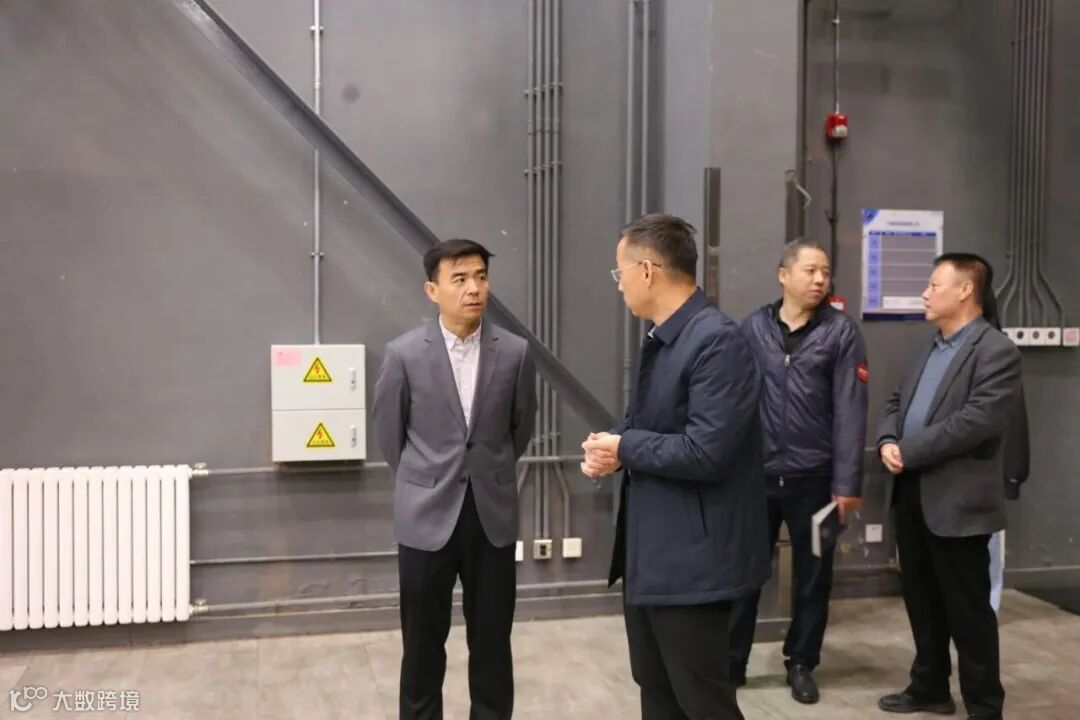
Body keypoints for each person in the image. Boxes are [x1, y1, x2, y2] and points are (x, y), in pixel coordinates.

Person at [580, 213, 769, 720]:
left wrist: (626, 446)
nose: (618, 284)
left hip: (694, 564)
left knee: (702, 702)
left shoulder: (716, 342)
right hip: (655, 555)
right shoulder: (665, 338)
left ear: (647, 271)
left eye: (620, 272)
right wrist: (613, 445)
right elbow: (650, 422)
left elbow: (707, 451)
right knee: (658, 693)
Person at [372, 238, 537, 720]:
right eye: (460, 279)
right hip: (425, 518)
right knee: (422, 646)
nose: (474, 288)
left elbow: (520, 429)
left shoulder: (515, 353)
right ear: (433, 290)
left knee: (493, 644)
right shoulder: (404, 354)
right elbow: (390, 436)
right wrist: (425, 480)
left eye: (481, 277)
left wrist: (486, 470)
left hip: (492, 517)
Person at [876, 253, 1021, 720]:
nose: (925, 293)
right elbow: (896, 401)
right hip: (913, 493)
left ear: (965, 290)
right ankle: (929, 687)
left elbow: (975, 421)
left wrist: (908, 450)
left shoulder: (996, 350)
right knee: (922, 600)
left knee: (968, 611)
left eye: (934, 285)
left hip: (958, 503)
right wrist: (887, 440)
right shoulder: (928, 346)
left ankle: (984, 706)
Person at [729, 238, 869, 704]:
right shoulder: (754, 328)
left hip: (816, 482)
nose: (820, 279)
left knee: (813, 576)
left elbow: (851, 410)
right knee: (745, 572)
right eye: (810, 271)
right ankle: (731, 662)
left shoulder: (841, 333)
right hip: (757, 478)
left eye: (825, 272)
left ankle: (802, 663)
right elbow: (734, 399)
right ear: (783, 275)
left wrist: (846, 483)